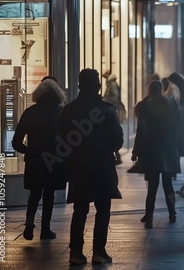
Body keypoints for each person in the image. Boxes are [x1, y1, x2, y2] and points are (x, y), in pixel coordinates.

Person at [60, 68, 123, 265]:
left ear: (79, 85)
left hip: (78, 166)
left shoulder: (68, 110)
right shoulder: (107, 110)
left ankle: (76, 252)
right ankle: (99, 252)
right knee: (103, 209)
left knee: (80, 209)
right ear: (97, 86)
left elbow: (60, 139)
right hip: (102, 166)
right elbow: (118, 141)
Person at [12, 77, 67, 241]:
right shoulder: (61, 112)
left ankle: (29, 224)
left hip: (35, 161)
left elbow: (16, 142)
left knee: (34, 194)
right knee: (49, 195)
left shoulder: (30, 112)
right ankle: (45, 229)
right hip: (54, 161)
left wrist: (29, 152)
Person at [132, 80, 180, 228]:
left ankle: (150, 216)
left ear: (149, 90)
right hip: (169, 150)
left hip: (152, 151)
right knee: (168, 185)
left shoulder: (145, 105)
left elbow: (141, 130)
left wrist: (136, 151)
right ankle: (172, 213)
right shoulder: (171, 102)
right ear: (162, 89)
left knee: (152, 186)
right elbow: (177, 124)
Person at [102, 70, 126, 165]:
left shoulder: (111, 83)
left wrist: (110, 106)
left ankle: (118, 157)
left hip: (110, 109)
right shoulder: (112, 82)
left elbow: (115, 96)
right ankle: (117, 156)